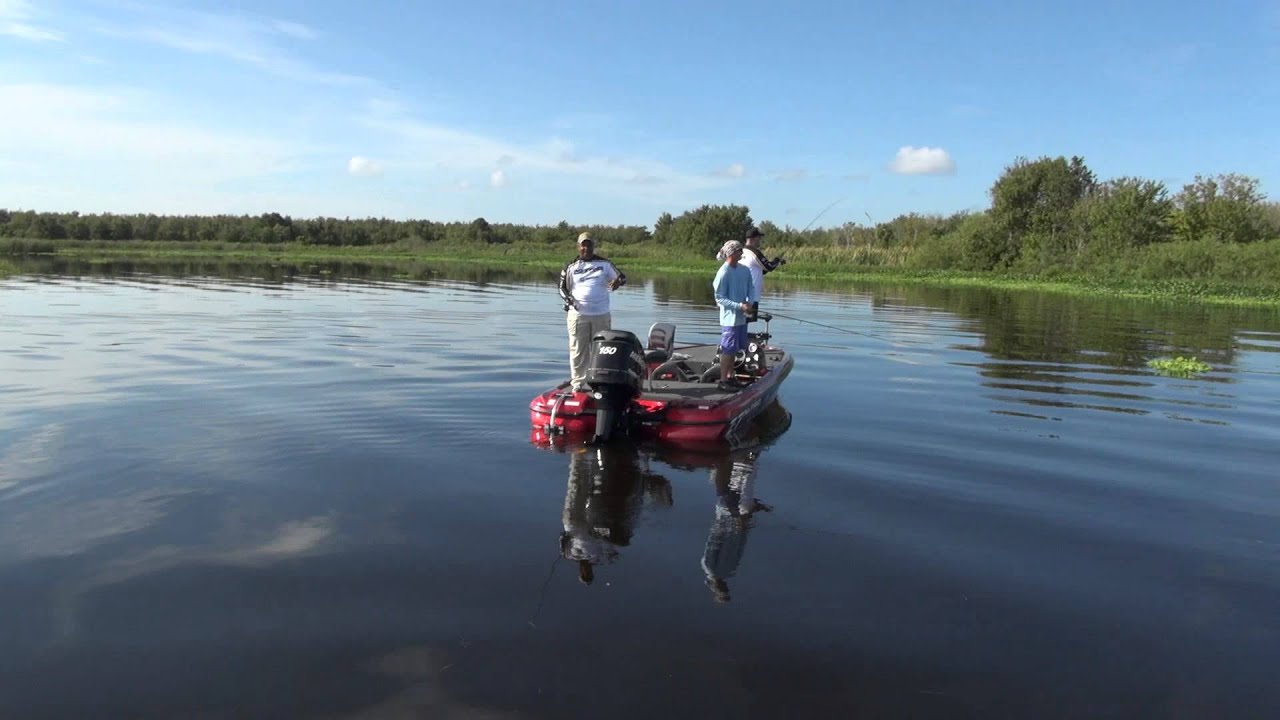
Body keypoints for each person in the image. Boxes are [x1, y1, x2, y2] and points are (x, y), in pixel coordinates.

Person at [558, 231, 626, 392]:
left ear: (593, 246)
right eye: (583, 245)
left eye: (589, 245)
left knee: (602, 349)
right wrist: (567, 299)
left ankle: (599, 381)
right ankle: (578, 384)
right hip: (578, 315)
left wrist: (617, 282)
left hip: (601, 314)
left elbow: (622, 277)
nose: (586, 248)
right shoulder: (571, 266)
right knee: (578, 349)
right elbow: (562, 288)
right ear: (578, 247)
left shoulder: (605, 264)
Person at [712, 240, 754, 392]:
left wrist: (750, 302)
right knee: (728, 349)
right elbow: (719, 298)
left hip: (742, 317)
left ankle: (731, 377)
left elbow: (751, 287)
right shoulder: (723, 273)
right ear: (732, 253)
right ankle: (723, 380)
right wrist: (738, 306)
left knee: (736, 348)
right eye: (739, 251)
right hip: (729, 318)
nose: (741, 253)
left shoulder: (744, 270)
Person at [739, 226, 785, 322]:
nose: (760, 240)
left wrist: (777, 263)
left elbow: (762, 270)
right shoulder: (754, 252)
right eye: (759, 238)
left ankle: (741, 337)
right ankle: (742, 337)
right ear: (754, 239)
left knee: (742, 323)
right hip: (751, 296)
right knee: (745, 323)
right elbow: (768, 267)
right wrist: (777, 260)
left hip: (741, 295)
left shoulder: (742, 252)